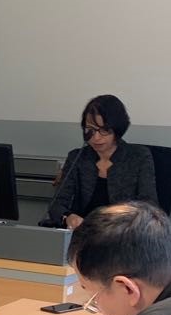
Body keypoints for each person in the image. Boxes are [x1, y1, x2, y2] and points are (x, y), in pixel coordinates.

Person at [46, 95, 158, 229]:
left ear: (117, 130)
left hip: (123, 234)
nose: (96, 137)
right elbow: (57, 204)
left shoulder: (138, 156)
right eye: (90, 129)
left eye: (104, 130)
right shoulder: (77, 157)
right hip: (82, 233)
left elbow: (149, 206)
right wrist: (67, 217)